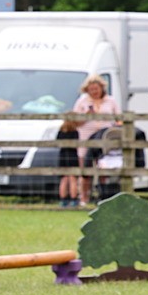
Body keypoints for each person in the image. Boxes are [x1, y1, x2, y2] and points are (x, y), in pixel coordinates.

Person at [71, 75, 120, 206]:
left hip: (104, 138)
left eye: (96, 88)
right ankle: (84, 198)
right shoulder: (82, 102)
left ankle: (104, 197)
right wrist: (86, 116)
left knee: (104, 167)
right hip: (86, 138)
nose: (94, 91)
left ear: (101, 88)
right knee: (85, 170)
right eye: (91, 89)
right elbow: (74, 122)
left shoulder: (111, 101)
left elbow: (119, 118)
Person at [56, 118, 80, 207]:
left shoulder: (61, 131)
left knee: (64, 179)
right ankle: (74, 200)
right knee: (73, 179)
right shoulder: (75, 131)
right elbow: (77, 144)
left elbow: (57, 143)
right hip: (72, 155)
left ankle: (63, 200)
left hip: (62, 155)